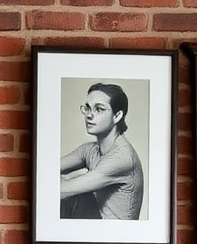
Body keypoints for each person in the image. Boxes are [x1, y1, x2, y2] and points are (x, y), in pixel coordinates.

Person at [59, 82, 144, 221]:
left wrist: (63, 182)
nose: (89, 115)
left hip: (116, 237)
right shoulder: (90, 149)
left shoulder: (122, 157)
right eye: (87, 108)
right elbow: (45, 170)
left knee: (76, 196)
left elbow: (61, 191)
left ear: (117, 116)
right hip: (93, 228)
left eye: (99, 109)